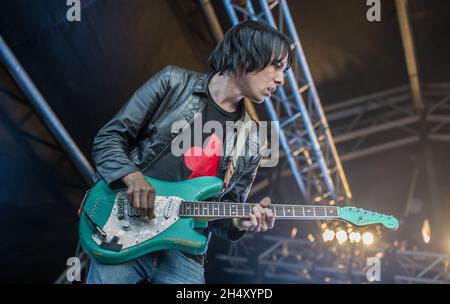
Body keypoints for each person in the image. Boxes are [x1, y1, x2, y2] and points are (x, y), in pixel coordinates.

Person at [85, 20, 292, 284]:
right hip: (124, 230)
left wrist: (242, 222)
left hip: (183, 253)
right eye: (277, 65)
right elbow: (109, 137)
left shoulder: (255, 138)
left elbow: (227, 209)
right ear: (248, 53)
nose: (281, 79)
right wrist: (132, 177)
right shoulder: (174, 83)